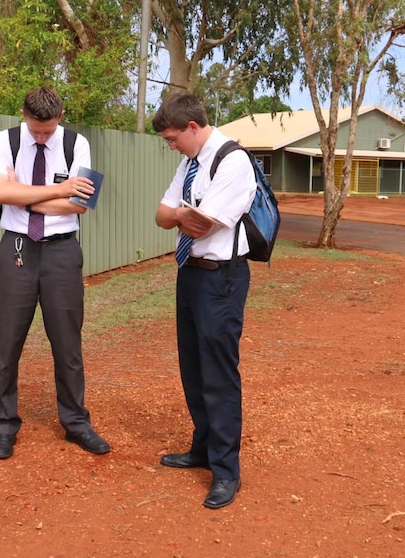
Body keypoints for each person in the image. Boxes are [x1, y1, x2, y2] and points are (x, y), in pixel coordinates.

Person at [0, 86, 110, 459]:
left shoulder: (77, 144)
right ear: (22, 113)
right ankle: (4, 426)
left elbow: (82, 205)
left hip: (62, 251)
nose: (42, 136)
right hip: (18, 248)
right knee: (7, 343)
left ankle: (76, 423)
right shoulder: (4, 141)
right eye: (36, 130)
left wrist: (21, 193)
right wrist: (57, 191)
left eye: (48, 131)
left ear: (61, 115)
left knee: (67, 341)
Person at [153, 92, 256, 509]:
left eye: (174, 138)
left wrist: (180, 214)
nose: (171, 145)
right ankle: (202, 447)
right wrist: (181, 213)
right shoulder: (191, 162)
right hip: (190, 276)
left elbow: (199, 226)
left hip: (221, 279)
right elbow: (164, 216)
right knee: (192, 366)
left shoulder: (233, 161)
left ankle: (226, 470)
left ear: (193, 127)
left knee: (218, 372)